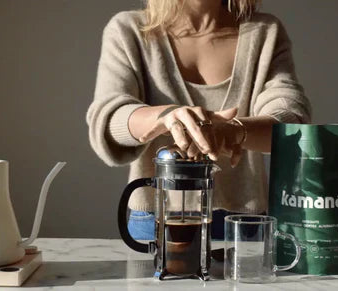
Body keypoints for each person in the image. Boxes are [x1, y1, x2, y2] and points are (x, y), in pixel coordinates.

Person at [86, 0, 311, 240]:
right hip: (157, 217)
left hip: (241, 220)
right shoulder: (129, 29)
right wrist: (166, 117)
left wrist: (234, 131)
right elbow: (109, 118)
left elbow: (291, 120)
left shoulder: (264, 31)